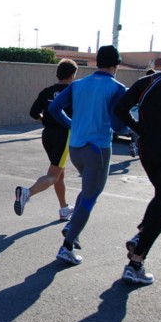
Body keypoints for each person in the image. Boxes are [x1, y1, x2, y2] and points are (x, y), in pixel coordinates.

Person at [48, 45, 127, 265]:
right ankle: (67, 245)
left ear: (97, 63)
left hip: (75, 148)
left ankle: (71, 227)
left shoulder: (79, 84)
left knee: (87, 191)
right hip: (98, 149)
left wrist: (71, 124)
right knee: (91, 197)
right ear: (116, 65)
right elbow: (117, 124)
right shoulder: (117, 88)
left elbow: (54, 108)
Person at [114, 39, 161, 285]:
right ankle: (135, 262)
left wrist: (139, 128)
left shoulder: (148, 82)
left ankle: (140, 235)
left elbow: (119, 110)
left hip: (147, 152)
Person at [14, 59, 78, 221]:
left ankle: (64, 209)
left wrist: (45, 120)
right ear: (71, 76)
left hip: (47, 135)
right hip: (63, 136)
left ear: (58, 74)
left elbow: (33, 113)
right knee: (53, 175)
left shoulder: (47, 91)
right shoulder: (74, 92)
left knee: (59, 173)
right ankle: (27, 193)